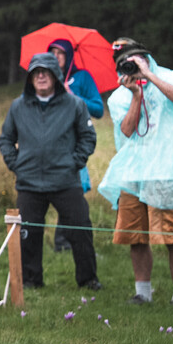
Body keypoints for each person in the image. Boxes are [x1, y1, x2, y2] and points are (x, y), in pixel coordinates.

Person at [98, 38, 173, 306]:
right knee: (135, 235)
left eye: (137, 59)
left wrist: (149, 77)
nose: (133, 66)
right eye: (127, 63)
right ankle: (142, 292)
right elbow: (126, 130)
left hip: (167, 169)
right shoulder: (121, 95)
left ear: (146, 57)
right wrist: (136, 94)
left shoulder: (169, 77)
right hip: (134, 172)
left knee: (172, 236)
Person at [0, 53, 101, 290]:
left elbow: (88, 137)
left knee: (80, 229)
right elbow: (6, 139)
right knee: (28, 235)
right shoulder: (18, 106)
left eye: (46, 71)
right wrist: (16, 164)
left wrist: (75, 162)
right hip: (29, 182)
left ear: (56, 76)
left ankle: (88, 280)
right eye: (36, 72)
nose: (41, 76)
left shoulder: (75, 104)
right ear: (30, 78)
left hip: (66, 180)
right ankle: (32, 281)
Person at [46, 38, 104, 251]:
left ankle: (66, 242)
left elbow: (98, 108)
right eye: (51, 52)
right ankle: (60, 242)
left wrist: (74, 96)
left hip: (74, 144)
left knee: (73, 191)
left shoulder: (82, 78)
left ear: (69, 55)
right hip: (49, 142)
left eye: (60, 53)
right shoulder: (44, 78)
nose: (55, 56)